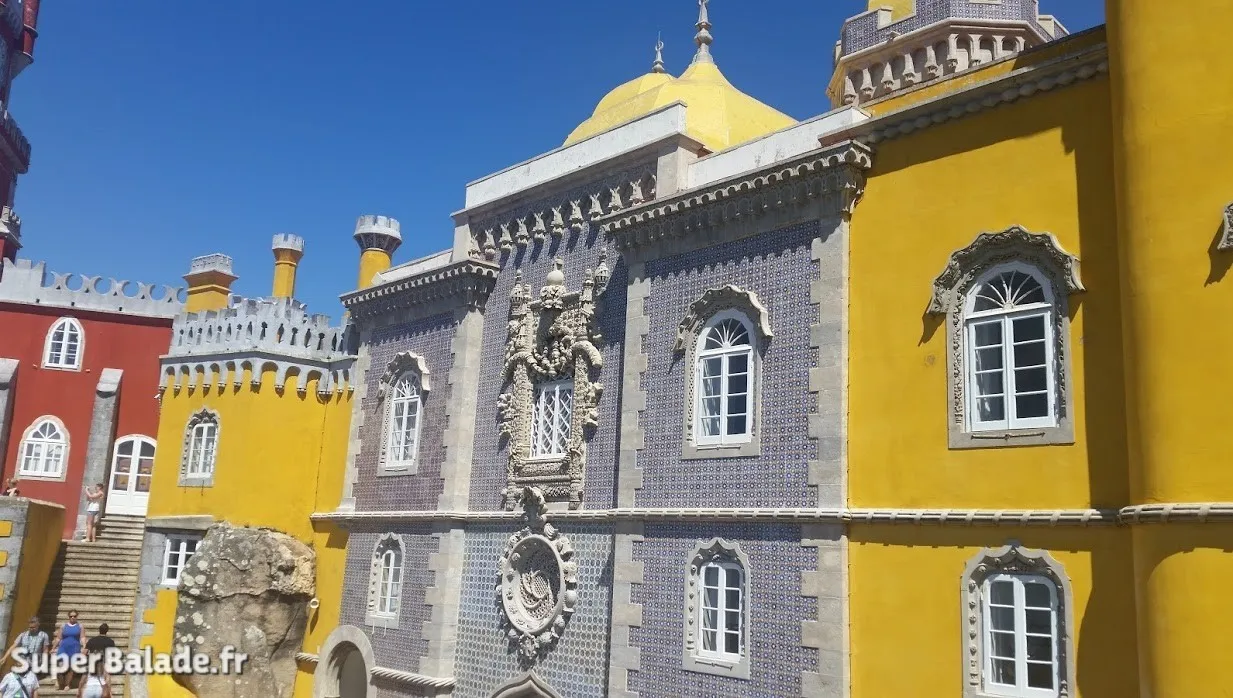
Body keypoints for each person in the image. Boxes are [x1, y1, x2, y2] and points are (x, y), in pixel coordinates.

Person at [52, 611, 86, 690]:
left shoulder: (80, 626)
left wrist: (84, 646)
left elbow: (82, 637)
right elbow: (58, 638)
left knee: (71, 667)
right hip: (63, 648)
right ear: (68, 617)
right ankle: (60, 683)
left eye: (74, 616)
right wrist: (53, 648)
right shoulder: (63, 626)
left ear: (77, 617)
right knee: (60, 665)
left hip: (74, 648)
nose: (72, 617)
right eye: (71, 616)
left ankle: (68, 685)